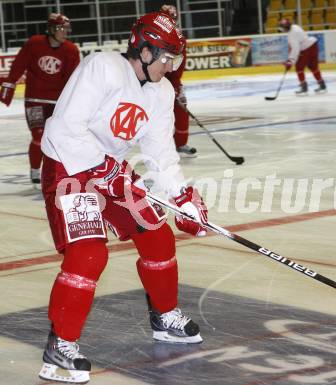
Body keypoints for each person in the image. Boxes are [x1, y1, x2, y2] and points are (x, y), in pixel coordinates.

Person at [38, 12, 208, 384]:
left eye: (174, 59)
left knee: (158, 236)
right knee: (89, 254)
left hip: (109, 169)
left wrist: (182, 197)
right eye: (166, 58)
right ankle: (60, 347)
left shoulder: (160, 93)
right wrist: (106, 170)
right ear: (144, 51)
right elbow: (67, 128)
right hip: (68, 165)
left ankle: (164, 318)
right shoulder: (103, 68)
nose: (170, 67)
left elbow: (161, 153)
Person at [0, 13, 80, 187]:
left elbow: (72, 79)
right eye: (60, 28)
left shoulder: (71, 50)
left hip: (57, 102)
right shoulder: (34, 44)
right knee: (38, 135)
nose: (64, 32)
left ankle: (56, 171)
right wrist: (10, 83)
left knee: (57, 137)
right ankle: (35, 170)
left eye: (66, 29)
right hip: (34, 98)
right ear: (50, 29)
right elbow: (19, 64)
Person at [161, 4, 197, 158]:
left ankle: (181, 144)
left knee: (182, 110)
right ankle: (161, 148)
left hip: (173, 81)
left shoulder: (179, 36)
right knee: (159, 115)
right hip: (156, 81)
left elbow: (180, 63)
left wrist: (176, 85)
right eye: (170, 19)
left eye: (174, 19)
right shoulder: (155, 34)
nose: (173, 22)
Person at [278, 18, 326, 95]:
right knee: (313, 67)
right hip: (313, 46)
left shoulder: (291, 35)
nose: (282, 30)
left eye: (282, 28)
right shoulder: (295, 26)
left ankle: (304, 87)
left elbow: (295, 49)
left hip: (305, 49)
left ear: (285, 28)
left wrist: (290, 61)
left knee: (299, 68)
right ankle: (322, 84)